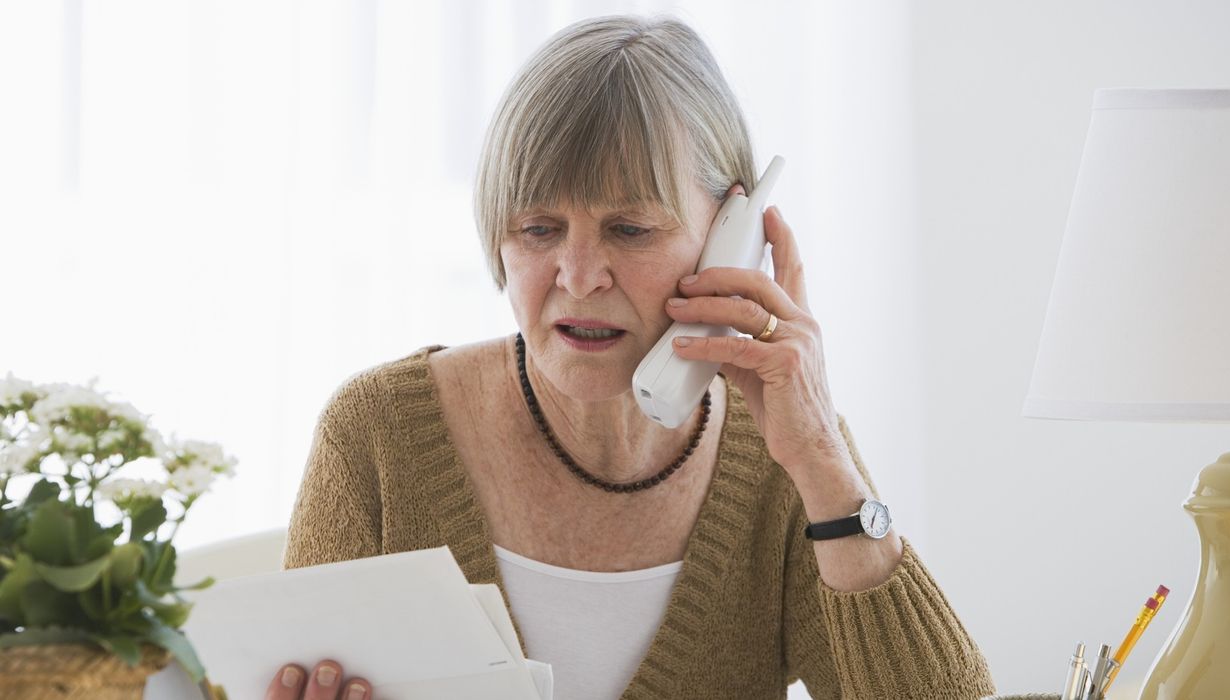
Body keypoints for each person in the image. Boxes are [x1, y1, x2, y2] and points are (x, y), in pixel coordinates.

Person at [263, 13, 996, 700]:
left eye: (630, 228)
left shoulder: (786, 459)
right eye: (540, 228)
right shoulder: (377, 434)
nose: (579, 277)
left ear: (727, 236)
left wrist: (822, 466)